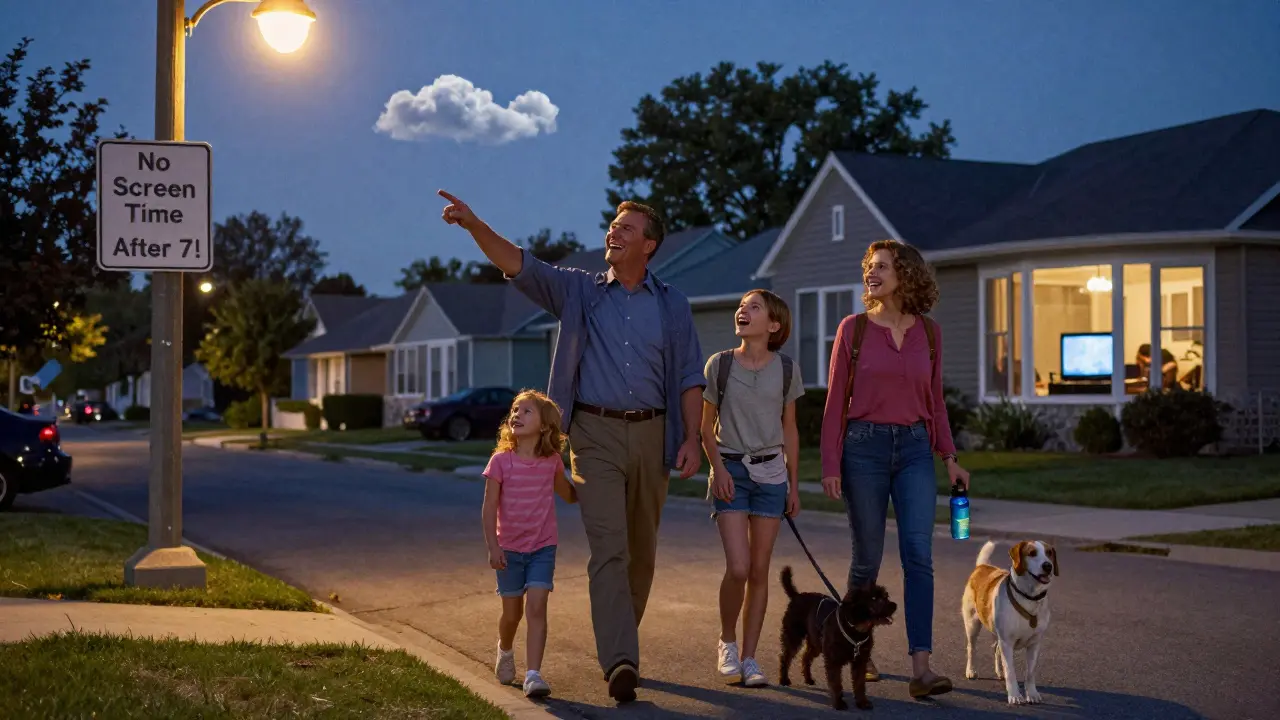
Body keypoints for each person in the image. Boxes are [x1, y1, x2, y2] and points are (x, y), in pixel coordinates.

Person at [439, 190, 704, 703]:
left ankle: (622, 637)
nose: (613, 232)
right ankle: (621, 659)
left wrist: (692, 437)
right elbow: (520, 263)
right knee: (610, 547)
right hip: (594, 435)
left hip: (654, 432)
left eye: (626, 228)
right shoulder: (579, 291)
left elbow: (691, 375)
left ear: (648, 245)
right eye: (612, 225)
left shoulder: (672, 303)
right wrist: (475, 225)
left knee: (641, 553)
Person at [818, 239, 971, 699]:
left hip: (915, 450)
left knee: (918, 556)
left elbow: (935, 403)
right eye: (868, 266)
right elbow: (833, 404)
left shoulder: (930, 333)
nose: (871, 272)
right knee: (866, 557)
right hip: (863, 450)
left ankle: (920, 670)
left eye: (881, 266)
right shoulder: (854, 329)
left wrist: (950, 457)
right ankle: (855, 652)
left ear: (905, 273)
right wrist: (830, 463)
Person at [701, 289, 804, 688]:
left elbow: (790, 429)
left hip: (771, 477)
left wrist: (793, 485)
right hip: (731, 473)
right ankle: (727, 642)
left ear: (773, 325)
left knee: (760, 570)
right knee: (739, 568)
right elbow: (706, 427)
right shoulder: (721, 365)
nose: (743, 310)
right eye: (741, 306)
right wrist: (718, 469)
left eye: (753, 307)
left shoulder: (788, 370)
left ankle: (749, 658)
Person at [482, 389, 577, 698]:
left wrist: (597, 485)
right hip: (508, 549)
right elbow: (489, 508)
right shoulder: (500, 462)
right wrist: (493, 547)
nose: (516, 415)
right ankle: (505, 649)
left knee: (537, 606)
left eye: (526, 411)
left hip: (542, 547)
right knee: (513, 614)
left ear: (545, 427)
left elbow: (568, 494)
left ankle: (534, 674)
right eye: (515, 410)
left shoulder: (551, 462)